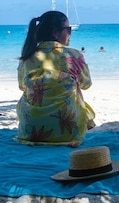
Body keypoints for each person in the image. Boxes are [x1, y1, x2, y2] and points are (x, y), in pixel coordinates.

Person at [17, 10, 95, 147]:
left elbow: (22, 86)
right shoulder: (74, 55)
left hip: (30, 131)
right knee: (75, 86)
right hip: (69, 132)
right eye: (68, 29)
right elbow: (86, 84)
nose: (70, 33)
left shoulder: (27, 57)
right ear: (55, 32)